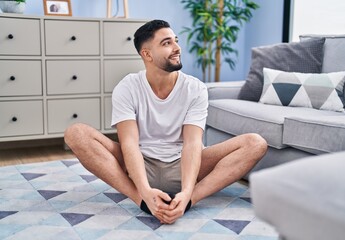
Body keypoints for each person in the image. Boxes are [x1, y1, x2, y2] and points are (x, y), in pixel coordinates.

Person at [64, 19, 267, 224]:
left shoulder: (195, 89)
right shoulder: (127, 87)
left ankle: (187, 201)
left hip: (184, 166)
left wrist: (188, 192)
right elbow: (129, 144)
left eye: (176, 41)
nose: (177, 48)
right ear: (147, 54)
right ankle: (141, 200)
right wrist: (143, 190)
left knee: (256, 143)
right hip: (139, 166)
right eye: (167, 43)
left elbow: (192, 143)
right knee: (76, 133)